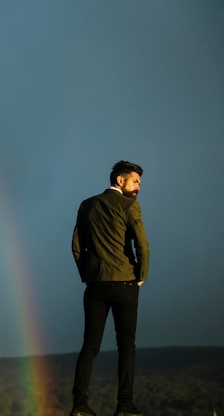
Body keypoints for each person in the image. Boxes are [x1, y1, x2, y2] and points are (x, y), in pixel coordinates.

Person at [69, 160, 150, 416]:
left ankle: (80, 406)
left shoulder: (86, 205)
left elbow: (75, 246)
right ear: (120, 180)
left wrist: (88, 275)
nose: (138, 187)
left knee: (89, 346)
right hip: (125, 283)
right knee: (126, 345)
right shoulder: (130, 206)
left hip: (95, 285)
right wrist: (141, 276)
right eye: (135, 181)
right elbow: (142, 245)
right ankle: (125, 406)